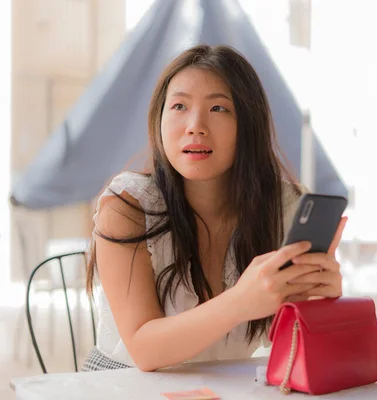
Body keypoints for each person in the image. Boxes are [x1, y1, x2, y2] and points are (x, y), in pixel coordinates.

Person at [83, 45, 347, 372]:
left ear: (248, 124)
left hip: (224, 386)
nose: (195, 125)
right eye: (179, 105)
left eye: (219, 108)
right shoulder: (128, 204)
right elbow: (143, 350)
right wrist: (240, 302)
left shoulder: (284, 207)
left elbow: (293, 348)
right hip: (124, 385)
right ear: (159, 118)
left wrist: (321, 301)